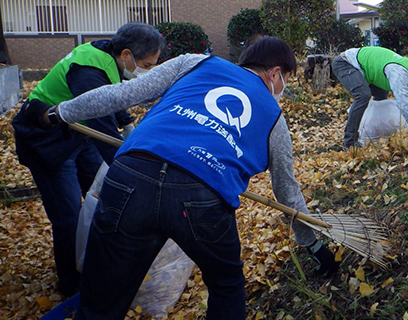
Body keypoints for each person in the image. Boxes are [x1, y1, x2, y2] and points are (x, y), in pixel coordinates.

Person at [42, 36, 338, 320]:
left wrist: (61, 112)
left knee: (102, 300)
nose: (282, 87)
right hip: (202, 197)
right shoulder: (274, 118)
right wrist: (311, 244)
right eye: (286, 77)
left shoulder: (196, 63)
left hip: (130, 177)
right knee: (226, 287)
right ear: (275, 73)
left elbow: (121, 95)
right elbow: (287, 190)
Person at [11, 22, 164, 296]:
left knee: (103, 199)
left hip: (77, 135)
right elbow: (101, 128)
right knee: (69, 215)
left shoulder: (110, 56)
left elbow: (112, 96)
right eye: (147, 64)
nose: (148, 71)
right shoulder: (88, 71)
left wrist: (128, 123)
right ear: (127, 54)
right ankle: (71, 284)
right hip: (48, 140)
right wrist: (136, 173)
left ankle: (97, 261)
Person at [331, 46, 408, 149]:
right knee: (363, 95)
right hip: (346, 63)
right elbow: (403, 101)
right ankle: (350, 142)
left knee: (381, 95)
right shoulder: (398, 72)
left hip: (366, 70)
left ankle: (376, 131)